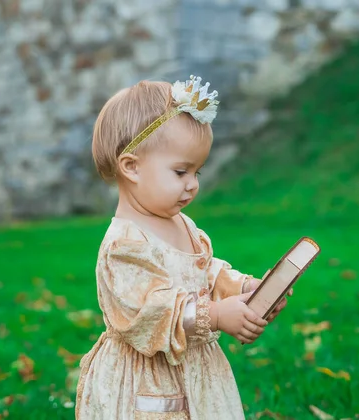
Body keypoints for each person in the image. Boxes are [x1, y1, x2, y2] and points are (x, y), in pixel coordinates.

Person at [75, 75, 289, 419]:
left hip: (195, 365)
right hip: (148, 381)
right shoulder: (124, 245)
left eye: (198, 173)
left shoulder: (182, 224)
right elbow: (150, 311)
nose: (192, 185)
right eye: (180, 172)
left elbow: (205, 270)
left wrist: (248, 289)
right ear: (131, 167)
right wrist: (217, 315)